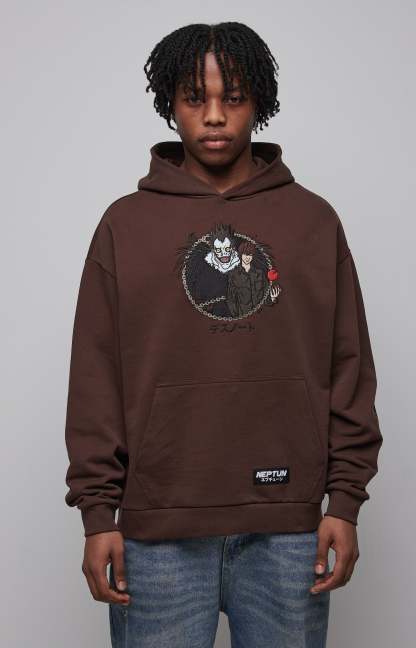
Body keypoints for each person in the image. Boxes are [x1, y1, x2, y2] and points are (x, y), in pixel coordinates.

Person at [64, 21, 383, 648]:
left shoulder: (313, 221)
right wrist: (98, 515)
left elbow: (348, 365)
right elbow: (96, 377)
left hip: (288, 528)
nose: (214, 116)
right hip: (157, 531)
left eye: (233, 98)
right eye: (195, 98)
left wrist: (344, 502)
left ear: (259, 102)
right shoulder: (125, 225)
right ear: (170, 103)